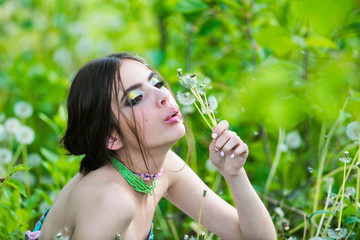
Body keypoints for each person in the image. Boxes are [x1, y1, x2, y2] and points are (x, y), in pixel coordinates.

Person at [26, 52, 276, 240]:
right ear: (111, 137)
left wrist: (234, 174)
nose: (164, 96)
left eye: (156, 83)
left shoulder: (160, 169)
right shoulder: (111, 200)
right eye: (135, 99)